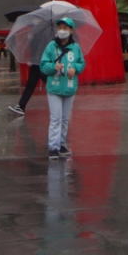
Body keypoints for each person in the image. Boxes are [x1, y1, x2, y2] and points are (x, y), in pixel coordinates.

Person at [40, 18, 86, 160]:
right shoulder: (51, 46)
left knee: (65, 118)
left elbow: (81, 63)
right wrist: (53, 67)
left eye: (65, 28)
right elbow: (43, 65)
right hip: (54, 87)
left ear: (71, 30)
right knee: (56, 118)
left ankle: (61, 143)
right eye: (60, 27)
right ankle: (53, 146)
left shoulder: (76, 48)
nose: (62, 30)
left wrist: (75, 68)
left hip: (69, 87)